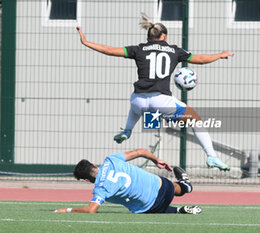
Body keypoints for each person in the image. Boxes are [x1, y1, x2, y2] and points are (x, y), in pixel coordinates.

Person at [76, 13, 234, 171]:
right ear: (164, 36)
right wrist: (219, 55)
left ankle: (127, 130)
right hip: (161, 101)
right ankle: (211, 156)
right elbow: (200, 59)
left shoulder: (139, 49)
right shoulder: (174, 51)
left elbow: (109, 50)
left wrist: (86, 42)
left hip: (138, 101)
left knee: (137, 104)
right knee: (195, 120)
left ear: (148, 36)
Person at [54, 148, 201, 214]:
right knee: (171, 186)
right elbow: (141, 152)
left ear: (87, 180)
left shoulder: (100, 189)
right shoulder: (111, 160)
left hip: (152, 208)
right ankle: (185, 187)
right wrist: (156, 160)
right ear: (93, 164)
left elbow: (91, 209)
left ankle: (179, 210)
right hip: (163, 187)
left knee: (142, 207)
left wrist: (67, 210)